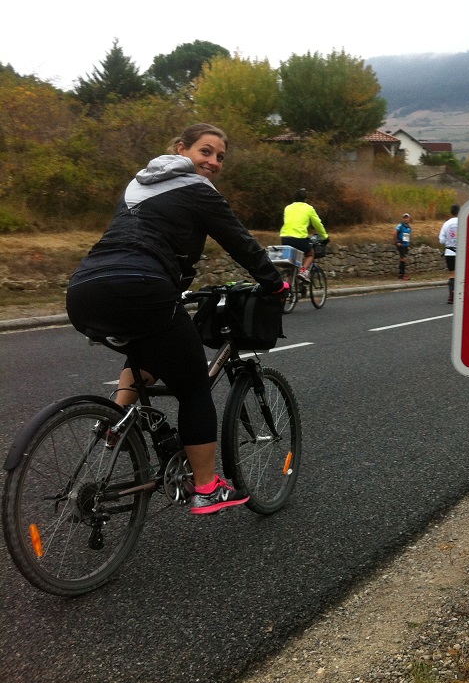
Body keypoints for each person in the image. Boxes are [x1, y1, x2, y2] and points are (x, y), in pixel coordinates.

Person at [65, 123, 288, 516]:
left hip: (84, 289)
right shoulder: (198, 189)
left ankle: (115, 427)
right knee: (193, 386)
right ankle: (205, 488)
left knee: (146, 353)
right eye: (205, 151)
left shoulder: (140, 183)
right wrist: (274, 283)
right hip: (141, 286)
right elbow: (239, 241)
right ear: (181, 148)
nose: (214, 162)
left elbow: (146, 236)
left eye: (220, 156)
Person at [280, 188, 328, 281]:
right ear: (305, 198)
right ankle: (303, 271)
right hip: (299, 238)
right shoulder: (308, 208)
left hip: (285, 238)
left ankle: (289, 287)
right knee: (310, 254)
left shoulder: (288, 208)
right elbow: (317, 224)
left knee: (292, 264)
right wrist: (324, 236)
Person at [438, 204, 460, 304]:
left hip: (449, 252)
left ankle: (451, 295)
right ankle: (460, 294)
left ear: (451, 212)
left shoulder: (446, 224)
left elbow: (441, 240)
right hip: (461, 252)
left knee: (452, 274)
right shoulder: (464, 222)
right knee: (462, 274)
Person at [394, 212, 412, 280]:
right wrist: (397, 242)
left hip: (405, 244)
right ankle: (402, 274)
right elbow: (395, 233)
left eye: (407, 218)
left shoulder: (409, 227)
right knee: (403, 258)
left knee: (404, 259)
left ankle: (401, 274)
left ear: (409, 218)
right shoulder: (400, 225)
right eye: (404, 218)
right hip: (401, 244)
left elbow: (408, 236)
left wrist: (408, 244)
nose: (406, 219)